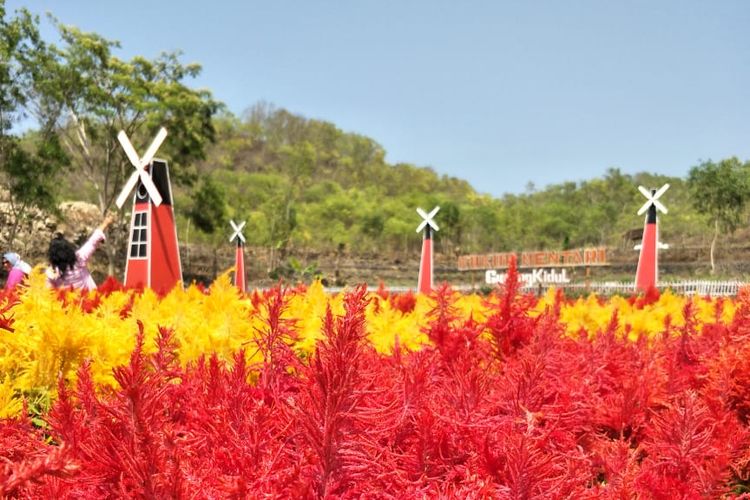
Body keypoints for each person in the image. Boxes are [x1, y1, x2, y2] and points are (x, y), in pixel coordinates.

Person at [46, 214, 115, 291]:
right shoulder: (79, 259)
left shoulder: (51, 274)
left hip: (69, 303)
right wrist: (106, 223)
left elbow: (49, 294)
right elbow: (93, 241)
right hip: (90, 300)